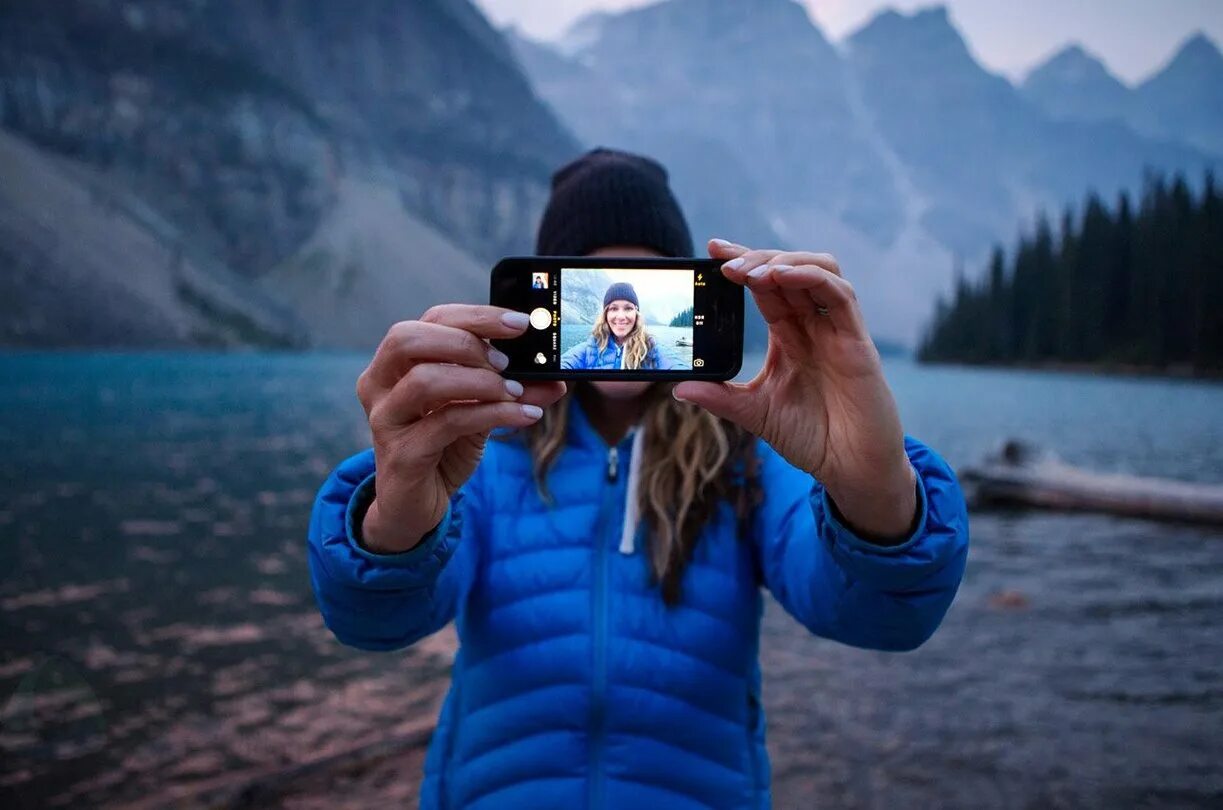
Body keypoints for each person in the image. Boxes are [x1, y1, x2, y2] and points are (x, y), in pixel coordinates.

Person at [307, 148, 970, 809]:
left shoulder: (748, 455)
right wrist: (396, 510)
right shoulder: (480, 444)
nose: (621, 314)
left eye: (639, 292)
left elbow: (881, 620)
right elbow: (377, 623)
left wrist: (875, 489)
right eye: (594, 289)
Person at [560, 281, 684, 370]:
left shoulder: (651, 347)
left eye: (628, 308)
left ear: (636, 314)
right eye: (613, 309)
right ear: (606, 314)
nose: (620, 316)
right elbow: (564, 364)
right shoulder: (590, 347)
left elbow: (676, 365)